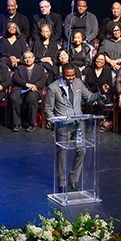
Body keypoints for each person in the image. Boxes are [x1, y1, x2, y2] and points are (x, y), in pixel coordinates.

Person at [44, 63, 102, 192]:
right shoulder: (53, 88)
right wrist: (54, 123)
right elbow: (48, 109)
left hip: (78, 124)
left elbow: (90, 97)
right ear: (62, 74)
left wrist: (101, 93)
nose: (71, 78)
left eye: (73, 75)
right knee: (62, 154)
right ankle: (62, 183)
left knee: (82, 151)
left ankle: (73, 180)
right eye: (68, 76)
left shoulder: (78, 83)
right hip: (63, 125)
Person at [9, 50, 48, 131]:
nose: (28, 59)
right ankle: (16, 123)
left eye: (30, 57)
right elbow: (15, 78)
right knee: (14, 99)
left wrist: (35, 86)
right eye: (26, 58)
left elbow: (43, 81)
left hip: (34, 90)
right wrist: (26, 84)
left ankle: (31, 123)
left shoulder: (40, 69)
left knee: (32, 98)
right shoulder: (19, 68)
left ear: (33, 58)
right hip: (20, 88)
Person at [84, 52, 114, 122]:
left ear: (104, 62)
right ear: (95, 60)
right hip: (91, 95)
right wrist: (93, 97)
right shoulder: (89, 71)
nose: (100, 61)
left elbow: (109, 87)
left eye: (102, 60)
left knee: (100, 104)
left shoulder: (108, 71)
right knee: (88, 103)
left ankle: (98, 123)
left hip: (103, 96)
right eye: (98, 59)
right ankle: (89, 124)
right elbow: (86, 85)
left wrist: (105, 90)